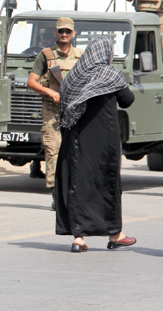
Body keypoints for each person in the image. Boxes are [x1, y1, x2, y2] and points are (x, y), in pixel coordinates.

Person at [55, 36, 136, 253]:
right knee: (106, 184)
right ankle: (115, 234)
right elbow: (127, 100)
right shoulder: (110, 74)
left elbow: (64, 107)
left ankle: (78, 239)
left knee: (77, 184)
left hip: (75, 141)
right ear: (106, 55)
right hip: (104, 143)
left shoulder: (73, 76)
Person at [26, 17, 83, 208]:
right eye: (61, 31)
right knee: (53, 151)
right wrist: (50, 91)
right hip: (53, 112)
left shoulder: (81, 55)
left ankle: (74, 193)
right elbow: (31, 82)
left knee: (76, 153)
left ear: (73, 33)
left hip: (75, 112)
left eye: (68, 31)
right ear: (55, 33)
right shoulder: (46, 55)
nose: (64, 34)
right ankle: (56, 194)